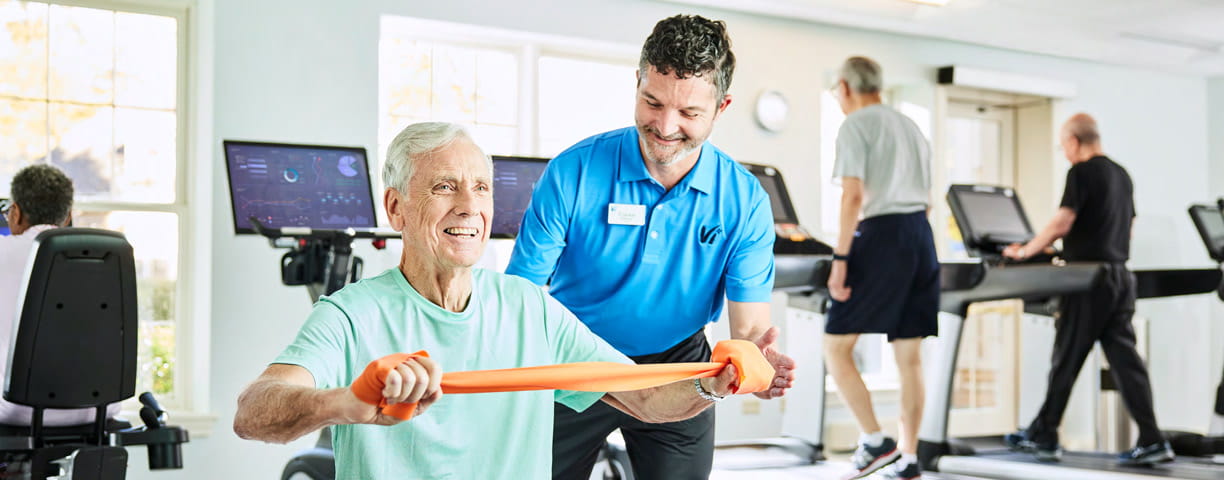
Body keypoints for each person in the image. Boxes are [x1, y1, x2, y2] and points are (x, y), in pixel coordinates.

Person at [232, 122, 752, 479]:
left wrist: (717, 383)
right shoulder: (351, 314)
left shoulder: (531, 308)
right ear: (397, 207)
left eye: (481, 188)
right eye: (444, 187)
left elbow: (646, 400)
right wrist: (347, 402)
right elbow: (253, 413)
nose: (469, 206)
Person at [505, 14, 796, 480]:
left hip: (679, 365)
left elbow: (749, 328)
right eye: (652, 102)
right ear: (637, 83)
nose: (664, 126)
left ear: (721, 107)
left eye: (689, 113)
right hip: (576, 359)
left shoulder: (743, 200)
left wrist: (756, 364)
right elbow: (519, 298)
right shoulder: (573, 172)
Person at [1003, 113, 1174, 465]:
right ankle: (1153, 438)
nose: (1064, 152)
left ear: (1073, 142)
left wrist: (1026, 250)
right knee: (1127, 362)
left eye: (1063, 146)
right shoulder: (1121, 174)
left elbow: (1062, 222)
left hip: (1088, 281)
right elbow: (1128, 228)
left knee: (1065, 356)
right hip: (1120, 277)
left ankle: (1045, 435)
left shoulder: (1080, 172)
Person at [823, 56, 938, 480]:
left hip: (883, 235)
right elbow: (926, 199)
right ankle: (908, 458)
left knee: (835, 346)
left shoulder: (855, 124)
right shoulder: (911, 126)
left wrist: (840, 260)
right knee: (910, 358)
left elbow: (853, 196)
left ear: (846, 87)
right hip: (919, 235)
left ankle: (874, 440)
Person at [0, 164, 121, 426]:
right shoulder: (111, 256)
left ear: (16, 214)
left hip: (15, 409)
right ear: (67, 217)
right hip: (99, 408)